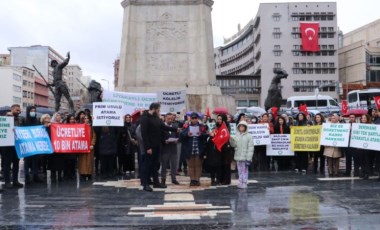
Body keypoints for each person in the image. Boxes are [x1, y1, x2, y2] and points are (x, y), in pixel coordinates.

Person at [140, 103, 178, 192]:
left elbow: (163, 127)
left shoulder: (156, 118)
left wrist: (176, 129)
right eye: (158, 109)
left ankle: (156, 183)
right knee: (147, 165)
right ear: (153, 109)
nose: (159, 111)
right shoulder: (145, 118)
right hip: (150, 147)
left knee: (155, 165)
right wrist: (148, 147)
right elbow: (144, 134)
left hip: (157, 146)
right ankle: (145, 184)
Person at [180, 112, 208, 186]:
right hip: (189, 148)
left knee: (198, 165)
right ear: (190, 119)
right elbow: (181, 135)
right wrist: (187, 134)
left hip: (199, 148)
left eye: (195, 118)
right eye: (193, 118)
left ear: (197, 119)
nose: (194, 120)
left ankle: (197, 180)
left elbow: (206, 135)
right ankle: (192, 180)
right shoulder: (186, 126)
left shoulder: (202, 126)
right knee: (191, 166)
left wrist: (201, 134)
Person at [2, 105, 24, 189]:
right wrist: (8, 117)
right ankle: (7, 181)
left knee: (16, 163)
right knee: (7, 164)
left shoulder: (20, 119)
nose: (18, 111)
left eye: (19, 110)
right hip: (7, 145)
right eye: (17, 110)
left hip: (16, 144)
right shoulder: (5, 118)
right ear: (12, 110)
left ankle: (15, 180)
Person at [230, 120, 254, 189]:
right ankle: (240, 182)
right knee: (239, 170)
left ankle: (244, 182)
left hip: (245, 157)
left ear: (245, 127)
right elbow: (234, 145)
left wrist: (249, 158)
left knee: (244, 171)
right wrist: (231, 140)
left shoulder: (249, 136)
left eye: (243, 126)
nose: (241, 127)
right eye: (240, 126)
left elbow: (250, 148)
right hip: (238, 156)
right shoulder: (236, 135)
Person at [24, 106, 43, 184]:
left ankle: (35, 176)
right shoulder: (24, 121)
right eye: (31, 110)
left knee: (35, 160)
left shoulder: (37, 120)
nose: (33, 112)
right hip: (27, 143)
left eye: (34, 110)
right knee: (27, 161)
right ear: (28, 111)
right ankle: (27, 176)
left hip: (35, 144)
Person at [160, 113, 180, 185]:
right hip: (165, 149)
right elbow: (159, 137)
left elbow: (179, 136)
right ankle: (163, 179)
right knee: (164, 165)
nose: (170, 120)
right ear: (165, 118)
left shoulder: (175, 126)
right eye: (168, 119)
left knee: (174, 165)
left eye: (171, 119)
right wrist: (164, 141)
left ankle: (174, 179)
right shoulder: (162, 126)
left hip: (173, 148)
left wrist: (177, 140)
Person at [78, 114, 96, 181]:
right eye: (85, 118)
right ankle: (82, 174)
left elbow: (94, 136)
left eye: (87, 118)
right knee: (82, 161)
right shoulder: (80, 127)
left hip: (89, 147)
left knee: (89, 161)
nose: (86, 119)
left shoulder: (91, 127)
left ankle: (89, 174)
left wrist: (92, 144)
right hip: (82, 146)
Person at [359, 114, 372, 179]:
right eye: (362, 118)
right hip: (360, 147)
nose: (363, 119)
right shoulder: (358, 126)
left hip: (368, 147)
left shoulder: (371, 126)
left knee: (367, 160)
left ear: (367, 119)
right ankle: (362, 172)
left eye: (364, 118)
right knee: (361, 160)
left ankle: (367, 173)